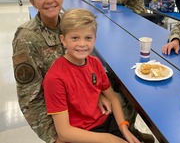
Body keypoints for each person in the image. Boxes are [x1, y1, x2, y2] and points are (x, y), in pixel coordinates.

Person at [12, 0, 154, 143]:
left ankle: (127, 130)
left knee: (124, 86)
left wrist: (97, 93)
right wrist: (56, 137)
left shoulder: (68, 23)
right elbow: (30, 99)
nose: (49, 0)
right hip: (61, 114)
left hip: (80, 101)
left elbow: (86, 68)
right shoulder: (26, 38)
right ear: (32, 1)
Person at [43, 9, 140, 143]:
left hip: (105, 121)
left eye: (88, 38)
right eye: (75, 38)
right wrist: (109, 139)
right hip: (81, 134)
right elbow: (64, 133)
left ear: (95, 39)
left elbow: (113, 99)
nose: (82, 44)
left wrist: (124, 128)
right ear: (63, 40)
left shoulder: (95, 63)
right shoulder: (55, 78)